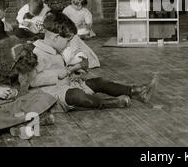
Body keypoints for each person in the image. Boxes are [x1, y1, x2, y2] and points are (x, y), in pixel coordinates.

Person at [25, 11, 158, 112]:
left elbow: (63, 71)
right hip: (52, 95)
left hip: (67, 86)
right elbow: (32, 81)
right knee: (77, 96)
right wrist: (57, 75)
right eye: (67, 41)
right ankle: (110, 102)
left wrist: (72, 72)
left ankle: (135, 91)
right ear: (55, 38)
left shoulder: (55, 49)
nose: (68, 45)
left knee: (98, 82)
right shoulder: (35, 53)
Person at [0, 37, 56, 140]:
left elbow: (16, 85)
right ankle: (24, 122)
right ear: (9, 64)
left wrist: (15, 91)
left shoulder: (10, 63)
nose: (15, 74)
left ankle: (16, 124)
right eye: (15, 71)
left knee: (43, 97)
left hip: (7, 105)